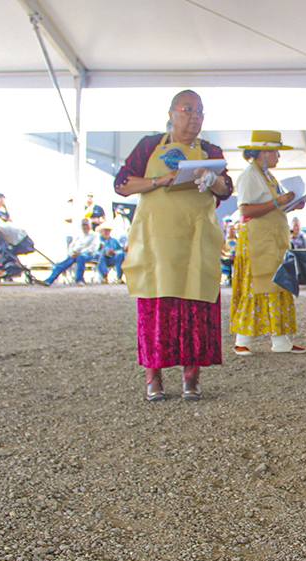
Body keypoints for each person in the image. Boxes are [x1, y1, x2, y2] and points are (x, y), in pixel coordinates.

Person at [114, 89, 232, 401]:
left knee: (195, 305)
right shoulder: (150, 145)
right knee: (157, 306)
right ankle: (154, 378)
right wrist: (159, 181)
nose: (195, 117)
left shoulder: (210, 150)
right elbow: (122, 184)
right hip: (157, 239)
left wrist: (212, 178)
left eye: (200, 111)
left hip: (196, 238)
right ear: (171, 114)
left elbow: (225, 189)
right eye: (187, 109)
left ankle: (191, 378)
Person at [231, 130, 306, 356]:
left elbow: (274, 206)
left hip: (272, 239)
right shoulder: (249, 175)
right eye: (275, 152)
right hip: (257, 239)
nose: (278, 157)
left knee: (277, 285)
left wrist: (291, 205)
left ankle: (280, 339)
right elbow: (245, 209)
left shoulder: (267, 176)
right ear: (262, 152)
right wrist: (278, 201)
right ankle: (242, 339)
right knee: (255, 285)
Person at [38, 219, 98, 286]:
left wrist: (80, 252)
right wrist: (72, 253)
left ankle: (79, 280)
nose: (85, 227)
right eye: (83, 225)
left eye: (86, 225)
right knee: (62, 264)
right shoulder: (79, 235)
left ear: (90, 226)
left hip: (87, 254)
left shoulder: (94, 235)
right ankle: (49, 281)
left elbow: (93, 247)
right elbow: (71, 246)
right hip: (75, 254)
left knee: (81, 258)